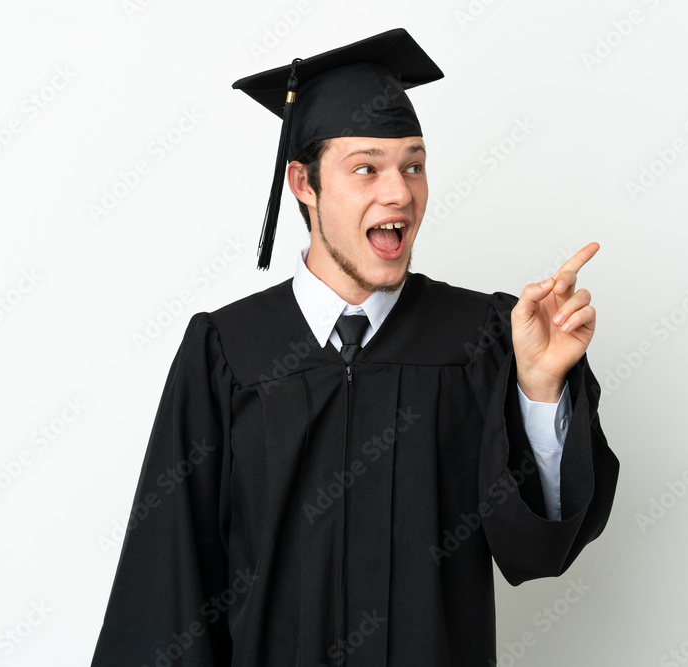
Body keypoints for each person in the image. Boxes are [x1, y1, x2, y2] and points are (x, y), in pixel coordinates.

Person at [90, 28, 618, 666]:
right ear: (303, 183)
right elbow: (168, 579)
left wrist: (538, 391)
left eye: (413, 165)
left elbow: (537, 553)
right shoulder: (229, 351)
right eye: (366, 167)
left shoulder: (485, 339)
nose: (399, 192)